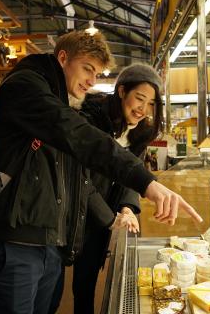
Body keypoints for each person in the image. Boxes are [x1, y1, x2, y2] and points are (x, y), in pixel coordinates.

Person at [0, 30, 202, 314]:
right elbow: (79, 138)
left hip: (47, 241)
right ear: (63, 58)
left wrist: (126, 207)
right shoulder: (26, 86)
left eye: (98, 72)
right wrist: (145, 184)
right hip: (11, 243)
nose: (92, 80)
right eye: (87, 69)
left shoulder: (64, 100)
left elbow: (76, 169)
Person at [73, 63, 166, 314]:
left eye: (150, 104)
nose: (143, 109)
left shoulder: (140, 132)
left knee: (87, 276)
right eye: (139, 98)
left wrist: (126, 208)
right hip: (76, 206)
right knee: (57, 279)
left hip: (105, 213)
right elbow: (80, 178)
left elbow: (130, 174)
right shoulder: (90, 120)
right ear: (122, 91)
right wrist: (109, 217)